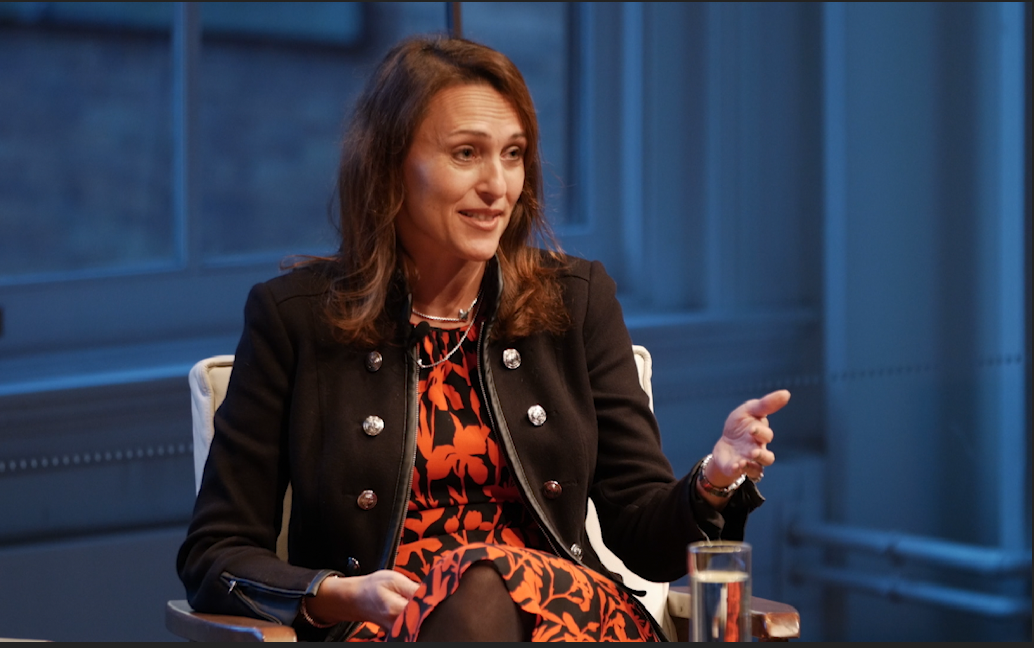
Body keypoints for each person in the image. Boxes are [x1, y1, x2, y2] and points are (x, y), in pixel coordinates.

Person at [176, 35, 790, 642]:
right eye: (466, 153)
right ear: (392, 165)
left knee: (485, 579)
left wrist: (712, 479)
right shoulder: (295, 320)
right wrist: (333, 594)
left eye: (514, 153)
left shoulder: (574, 302)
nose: (498, 186)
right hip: (386, 628)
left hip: (573, 617)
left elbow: (643, 538)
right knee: (472, 586)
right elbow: (215, 554)